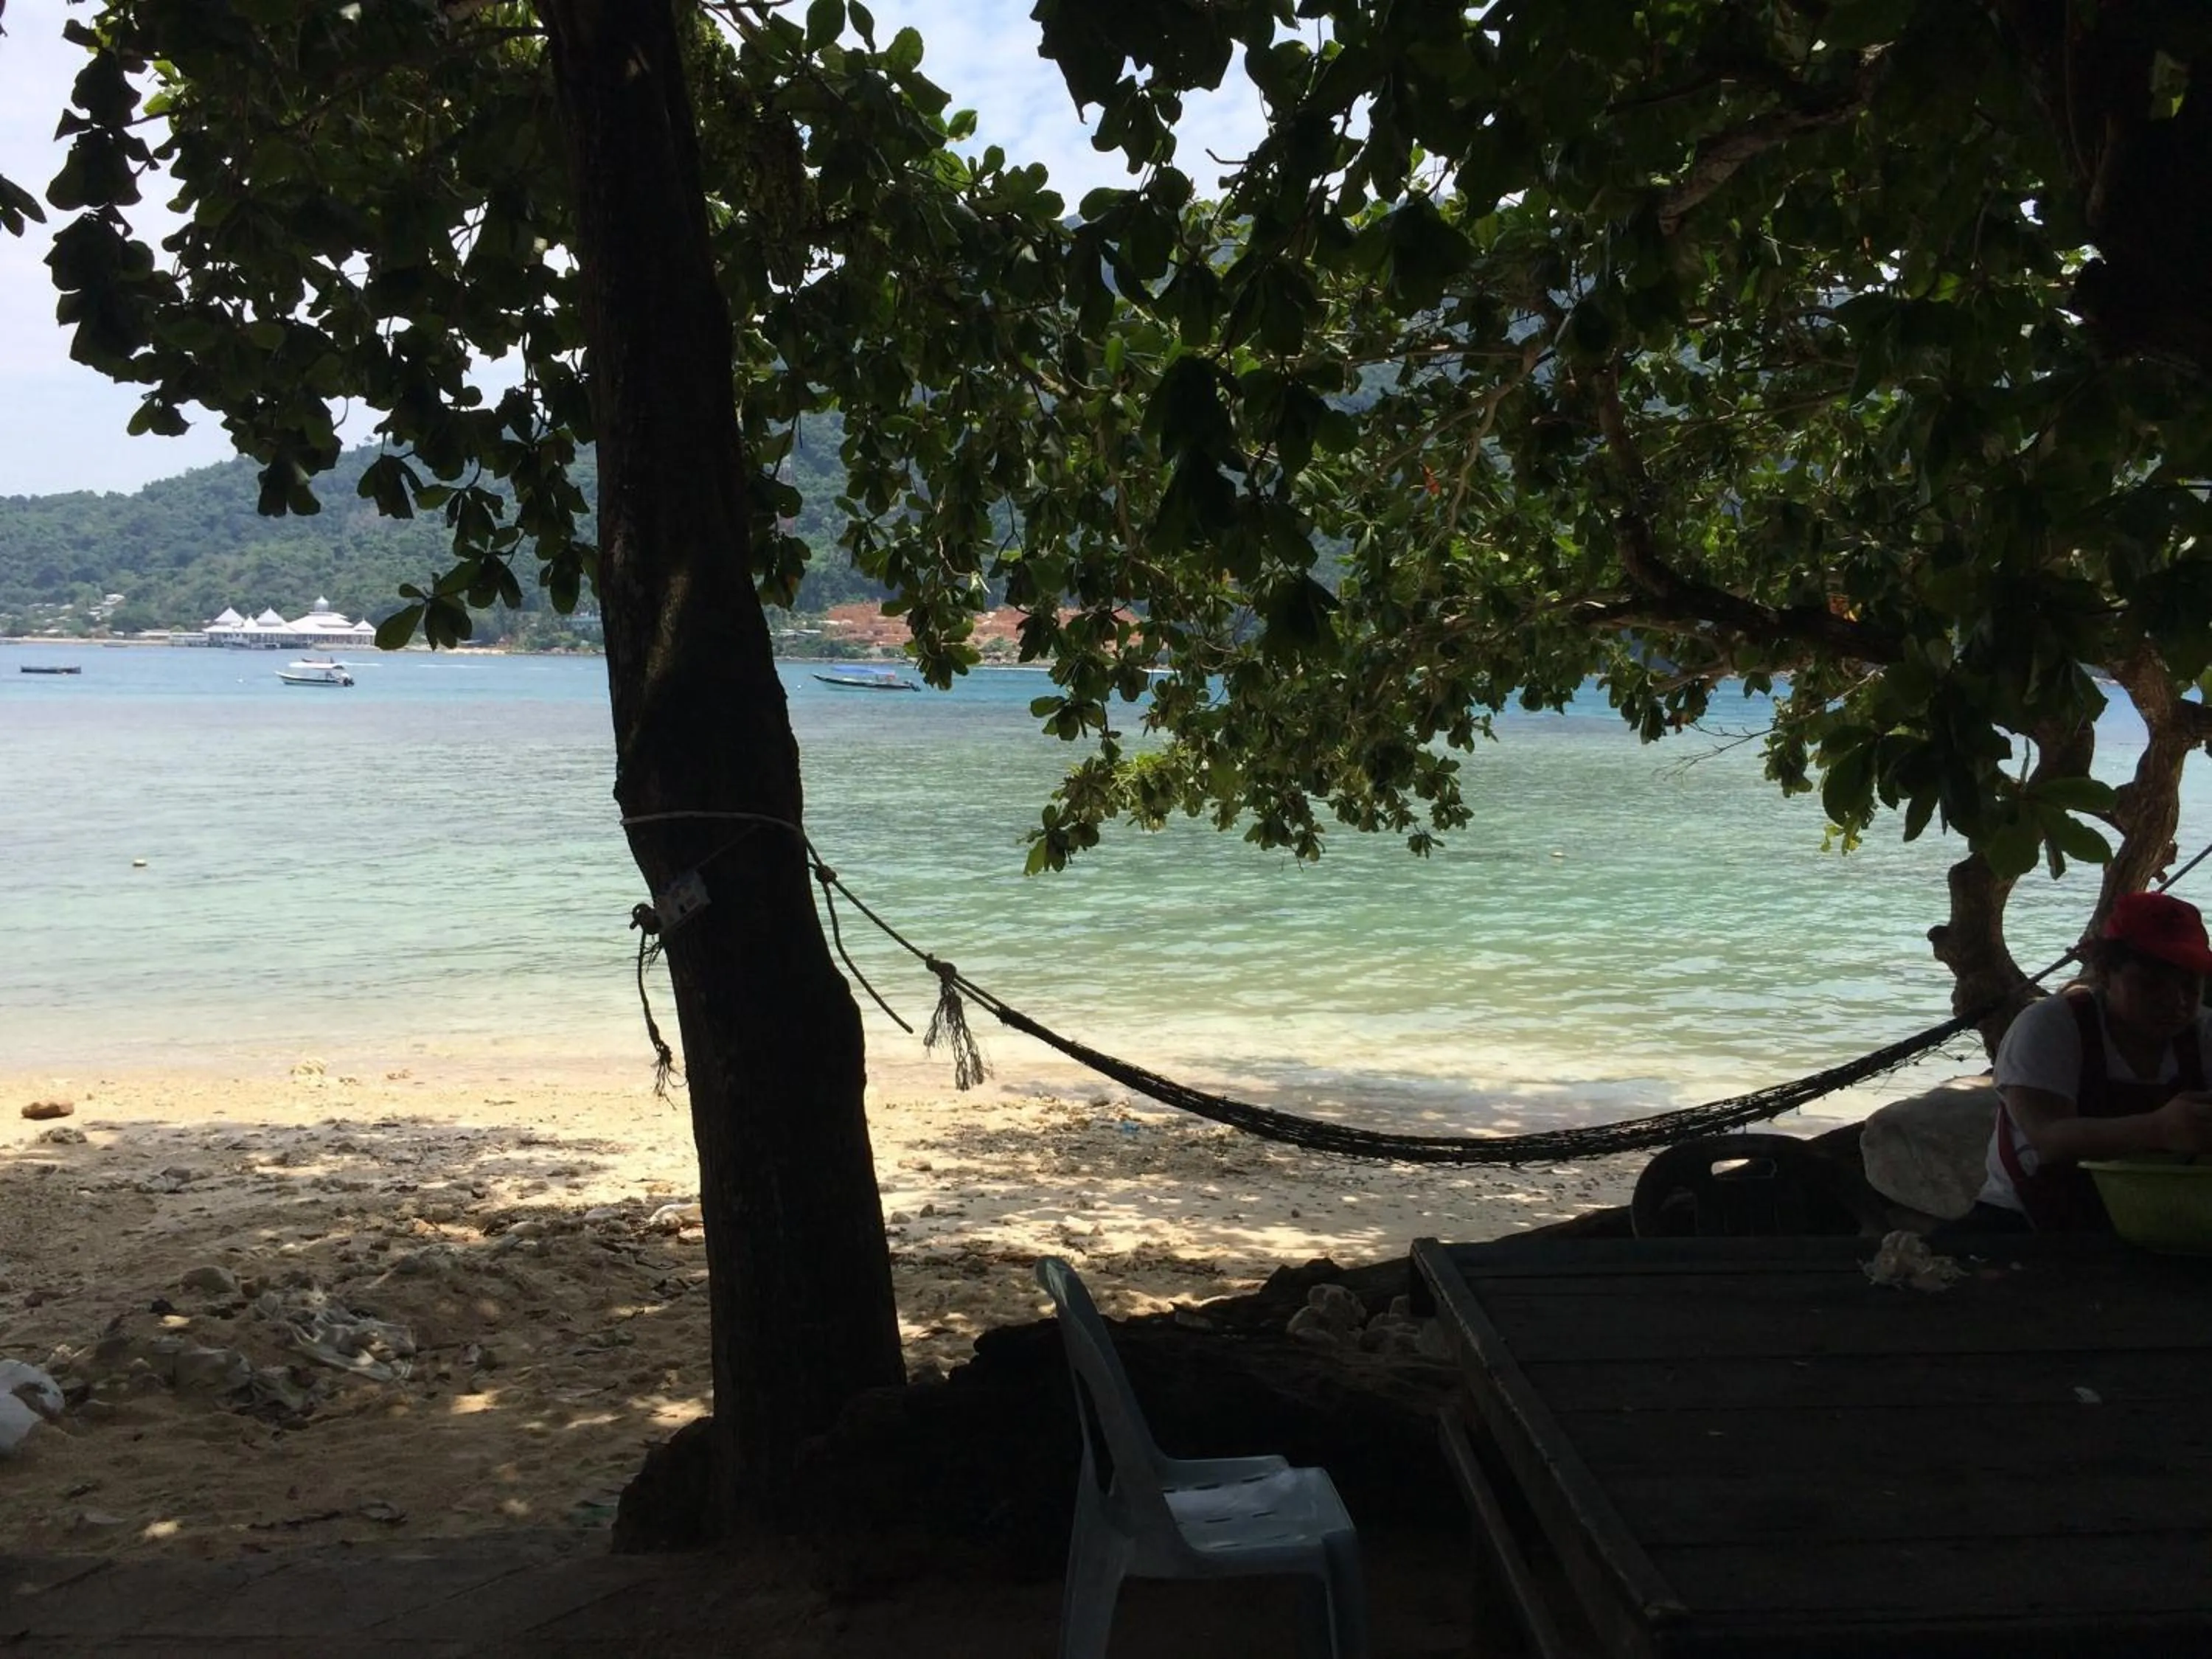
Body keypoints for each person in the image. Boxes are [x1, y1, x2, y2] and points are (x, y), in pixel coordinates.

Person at [1966, 890, 2212, 1233]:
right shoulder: (2050, 1026)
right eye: (2151, 985)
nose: (2176, 1001)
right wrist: (2160, 1128)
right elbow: (2049, 1139)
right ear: (2106, 973)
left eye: (2190, 986)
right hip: (2026, 1219)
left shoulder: (2204, 1033)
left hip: (2158, 1217)